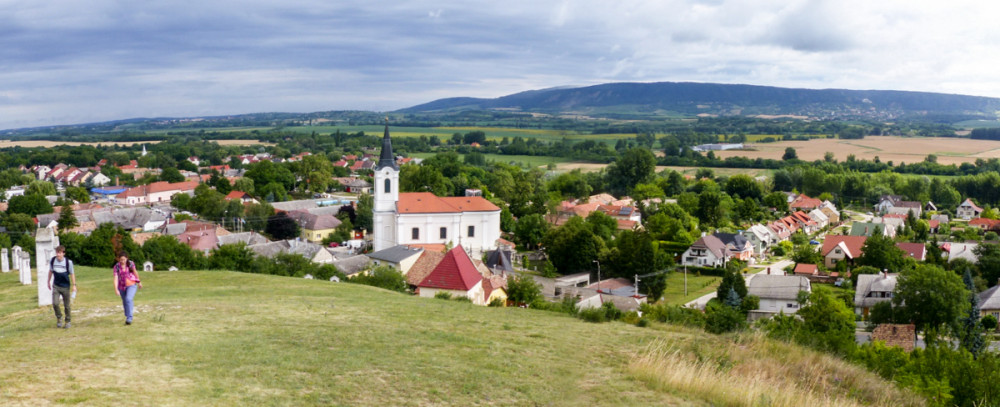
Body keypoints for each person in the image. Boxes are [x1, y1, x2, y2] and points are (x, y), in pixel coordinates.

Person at [47, 245, 76, 329]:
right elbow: (50, 271)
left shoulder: (68, 262)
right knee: (55, 303)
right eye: (57, 252)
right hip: (56, 286)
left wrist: (74, 285)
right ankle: (59, 317)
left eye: (59, 253)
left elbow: (72, 274)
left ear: (63, 253)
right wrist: (48, 281)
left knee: (67, 306)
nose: (58, 254)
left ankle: (68, 321)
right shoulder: (53, 261)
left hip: (66, 286)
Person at [112, 251, 142, 325]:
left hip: (131, 284)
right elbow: (115, 278)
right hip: (121, 286)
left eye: (124, 259)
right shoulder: (117, 266)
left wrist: (139, 282)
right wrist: (116, 289)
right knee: (125, 301)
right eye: (121, 260)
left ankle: (129, 318)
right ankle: (128, 314)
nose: (122, 261)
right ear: (118, 259)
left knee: (128, 299)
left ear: (127, 258)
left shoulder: (131, 263)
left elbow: (135, 272)